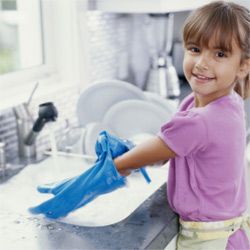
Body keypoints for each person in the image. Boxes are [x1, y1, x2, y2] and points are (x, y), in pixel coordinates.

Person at [114, 1, 250, 249]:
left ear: (243, 66)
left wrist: (116, 166)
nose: (202, 63)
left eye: (219, 54)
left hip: (210, 241)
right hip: (228, 233)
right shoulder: (224, 101)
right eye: (195, 49)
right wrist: (141, 152)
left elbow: (148, 154)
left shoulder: (204, 120)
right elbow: (166, 150)